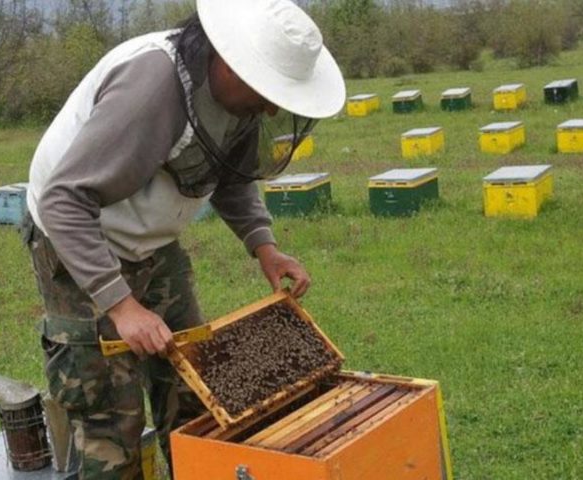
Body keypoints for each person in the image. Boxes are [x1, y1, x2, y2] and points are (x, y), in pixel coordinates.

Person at [23, 0, 345, 478]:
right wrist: (121, 305)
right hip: (79, 239)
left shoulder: (238, 98)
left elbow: (232, 174)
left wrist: (265, 247)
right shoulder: (152, 87)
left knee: (194, 385)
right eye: (269, 88)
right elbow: (64, 200)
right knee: (112, 415)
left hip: (153, 244)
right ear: (232, 60)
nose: (273, 105)